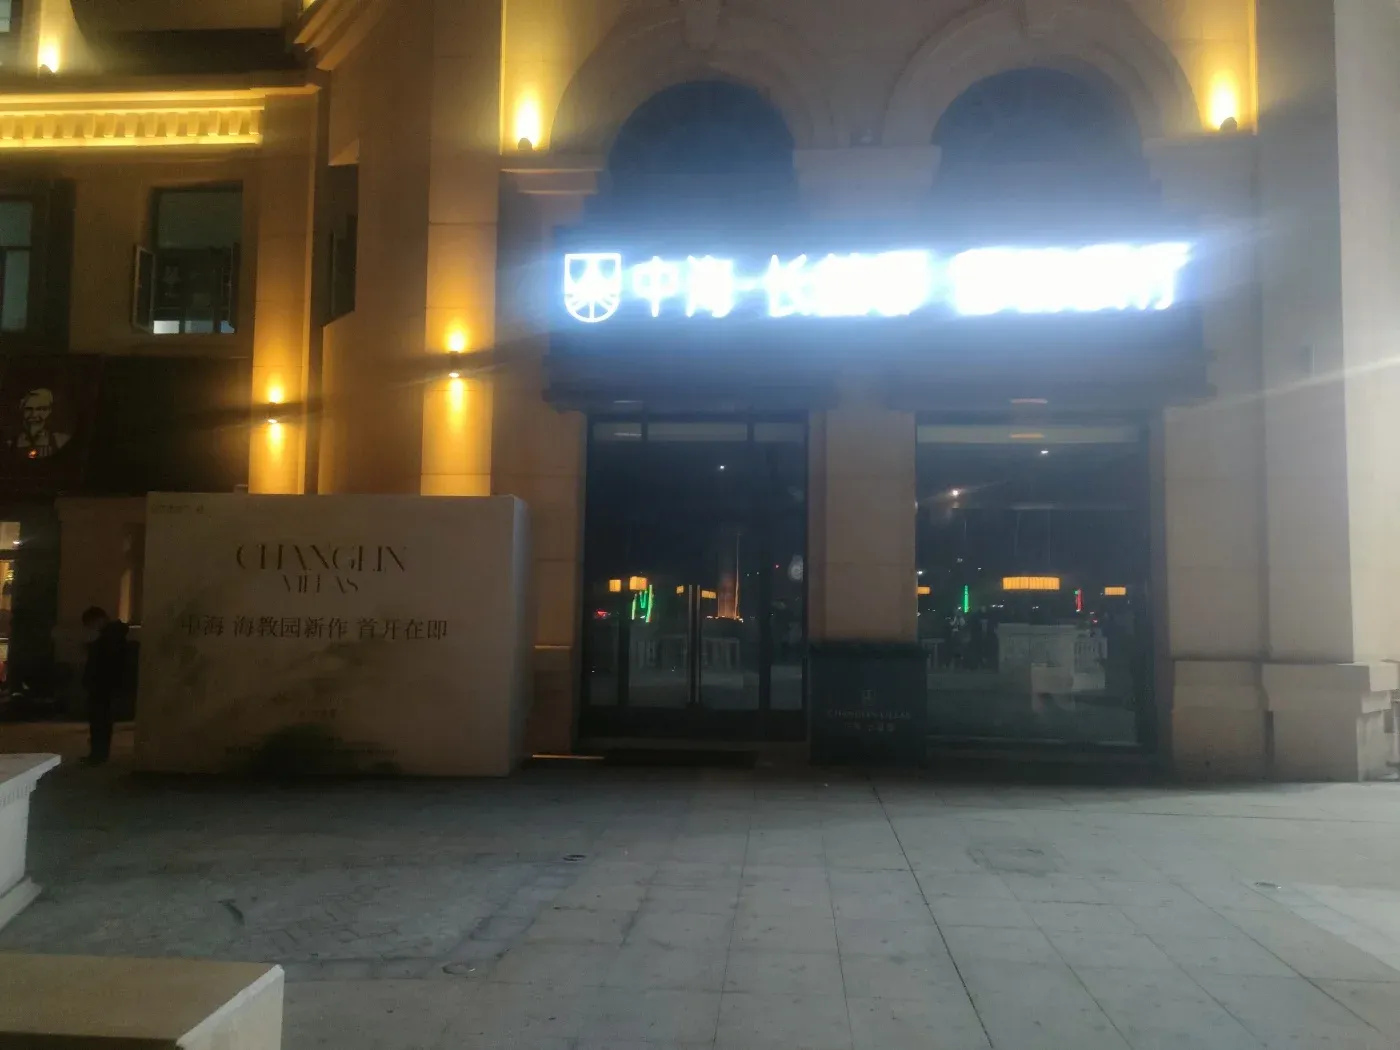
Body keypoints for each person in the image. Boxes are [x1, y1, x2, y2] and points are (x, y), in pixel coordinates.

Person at [81, 606, 129, 765]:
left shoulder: (110, 638)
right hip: (103, 685)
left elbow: (105, 663)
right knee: (101, 721)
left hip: (102, 685)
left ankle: (98, 755)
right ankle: (98, 754)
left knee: (100, 722)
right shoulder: (112, 636)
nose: (92, 627)